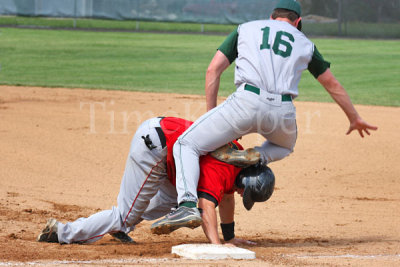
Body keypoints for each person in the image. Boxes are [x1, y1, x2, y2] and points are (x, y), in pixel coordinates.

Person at [152, 0, 378, 230]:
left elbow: (213, 70)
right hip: (283, 111)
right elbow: (332, 84)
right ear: (297, 22)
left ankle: (187, 205)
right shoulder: (306, 44)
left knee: (186, 144)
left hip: (246, 103)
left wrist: (213, 119)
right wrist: (354, 117)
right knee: (284, 147)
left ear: (272, 17)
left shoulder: (246, 28)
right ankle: (258, 156)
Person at [37, 117, 272, 245]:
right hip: (155, 150)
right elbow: (206, 206)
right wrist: (217, 246)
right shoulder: (222, 172)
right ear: (247, 178)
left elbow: (227, 198)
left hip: (168, 152)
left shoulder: (238, 157)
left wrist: (229, 236)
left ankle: (119, 227)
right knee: (125, 214)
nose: (242, 194)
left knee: (170, 201)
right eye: (246, 190)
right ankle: (61, 232)